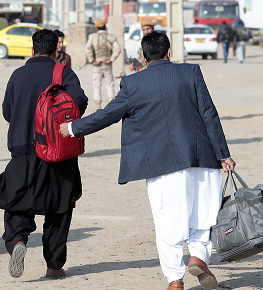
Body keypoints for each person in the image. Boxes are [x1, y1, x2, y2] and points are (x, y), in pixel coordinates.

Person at [60, 31, 236, 290]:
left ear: (143, 57)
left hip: (161, 163)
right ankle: (199, 257)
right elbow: (209, 114)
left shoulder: (133, 84)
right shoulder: (191, 72)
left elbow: (107, 115)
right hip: (202, 158)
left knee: (168, 222)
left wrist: (73, 128)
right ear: (169, 52)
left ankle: (175, 280)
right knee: (203, 216)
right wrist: (223, 154)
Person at [0, 29, 88, 280]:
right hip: (57, 151)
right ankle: (54, 265)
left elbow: (8, 112)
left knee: (17, 202)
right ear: (55, 51)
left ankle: (18, 240)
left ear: (32, 50)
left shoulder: (17, 75)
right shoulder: (63, 73)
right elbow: (79, 103)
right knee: (60, 207)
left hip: (22, 150)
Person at [85, 19, 121, 110]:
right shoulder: (111, 36)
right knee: (109, 84)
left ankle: (98, 106)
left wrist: (92, 60)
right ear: (105, 27)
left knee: (96, 85)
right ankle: (111, 105)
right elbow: (117, 49)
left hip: (97, 65)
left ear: (97, 28)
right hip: (107, 64)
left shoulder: (93, 37)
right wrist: (111, 59)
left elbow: (88, 49)